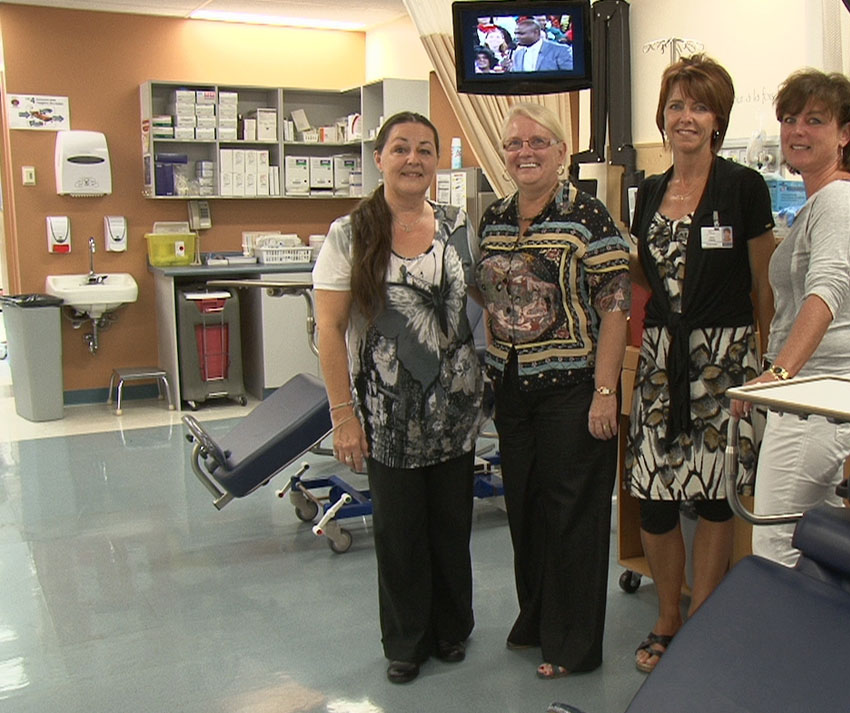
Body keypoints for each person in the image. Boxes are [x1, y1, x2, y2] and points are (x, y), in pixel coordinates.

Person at [313, 111, 484, 685]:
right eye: (401, 148)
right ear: (380, 158)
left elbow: (484, 307)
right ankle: (407, 641)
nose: (414, 159)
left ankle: (451, 628)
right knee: (400, 531)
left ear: (438, 161)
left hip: (457, 413)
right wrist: (344, 415)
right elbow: (329, 331)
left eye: (425, 150)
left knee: (450, 525)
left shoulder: (460, 226)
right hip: (386, 416)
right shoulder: (350, 234)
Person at [625, 54, 776, 674]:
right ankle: (667, 613)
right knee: (654, 497)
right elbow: (644, 277)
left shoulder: (743, 187)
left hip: (727, 359)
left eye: (700, 105)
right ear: (663, 116)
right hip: (663, 363)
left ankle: (705, 609)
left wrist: (767, 367)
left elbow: (764, 284)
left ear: (719, 118)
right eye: (677, 105)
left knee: (717, 495)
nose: (687, 117)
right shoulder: (652, 192)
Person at [474, 103, 630, 679]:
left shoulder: (589, 217)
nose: (525, 152)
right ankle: (537, 618)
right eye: (514, 143)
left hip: (573, 386)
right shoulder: (493, 218)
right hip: (512, 387)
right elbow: (486, 294)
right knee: (526, 509)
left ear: (562, 152)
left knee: (573, 515)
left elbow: (615, 308)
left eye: (539, 141)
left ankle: (572, 645)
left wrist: (606, 391)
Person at [731, 69, 850, 567]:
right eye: (790, 119)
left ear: (844, 134)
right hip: (810, 395)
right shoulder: (820, 203)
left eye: (815, 120)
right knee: (816, 535)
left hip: (816, 395)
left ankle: (786, 645)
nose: (797, 131)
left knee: (776, 544)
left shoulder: (840, 201)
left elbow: (827, 291)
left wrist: (778, 374)